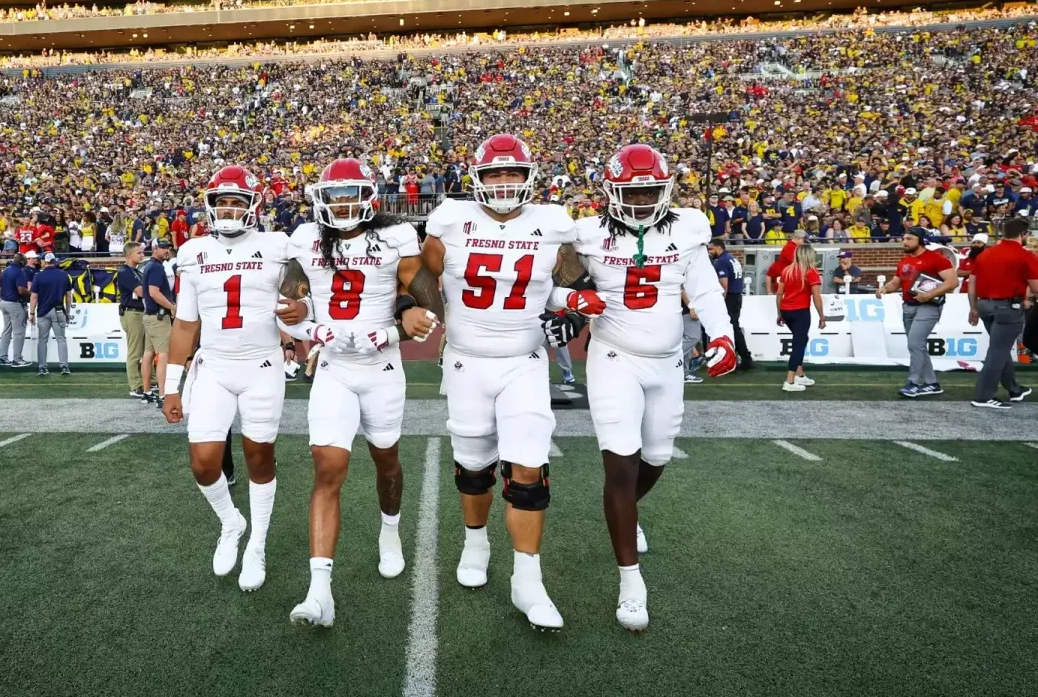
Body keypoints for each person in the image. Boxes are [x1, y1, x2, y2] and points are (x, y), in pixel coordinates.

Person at [421, 133, 606, 632]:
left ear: (530, 177)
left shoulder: (552, 223)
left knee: (529, 466)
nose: (504, 183)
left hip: (524, 360)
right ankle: (475, 541)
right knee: (474, 465)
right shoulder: (450, 220)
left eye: (513, 173)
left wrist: (571, 305)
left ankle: (528, 580)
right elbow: (419, 273)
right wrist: (420, 309)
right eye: (494, 174)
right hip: (465, 362)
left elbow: (568, 284)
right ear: (477, 179)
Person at [574, 144, 736, 631]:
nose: (642, 200)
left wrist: (723, 334)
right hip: (613, 357)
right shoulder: (584, 233)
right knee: (620, 463)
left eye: (650, 190)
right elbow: (553, 277)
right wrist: (570, 298)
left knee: (657, 457)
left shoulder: (687, 228)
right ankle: (630, 583)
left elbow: (705, 288)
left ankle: (626, 512)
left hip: (667, 363)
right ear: (610, 191)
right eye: (633, 191)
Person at [283, 158, 443, 628]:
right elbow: (285, 307)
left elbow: (428, 303)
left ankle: (389, 530)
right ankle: (319, 590)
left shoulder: (394, 237)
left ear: (369, 197)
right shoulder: (306, 240)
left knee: (386, 461)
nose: (342, 204)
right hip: (334, 366)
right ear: (321, 200)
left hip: (382, 366)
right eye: (333, 196)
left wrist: (397, 327)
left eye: (350, 194)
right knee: (328, 466)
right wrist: (312, 326)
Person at [159, 165, 309, 593]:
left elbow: (301, 300)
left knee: (259, 457)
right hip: (214, 366)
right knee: (204, 463)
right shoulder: (193, 251)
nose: (228, 209)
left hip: (261, 365)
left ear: (252, 206)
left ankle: (257, 544)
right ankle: (232, 522)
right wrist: (170, 384)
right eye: (222, 202)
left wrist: (304, 314)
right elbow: (185, 324)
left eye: (236, 202)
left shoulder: (278, 245)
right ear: (210, 206)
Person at [875, 228, 958, 397]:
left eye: (909, 238)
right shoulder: (904, 260)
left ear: (919, 240)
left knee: (914, 343)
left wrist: (929, 295)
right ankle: (932, 383)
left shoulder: (937, 259)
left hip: (929, 306)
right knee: (917, 345)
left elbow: (952, 282)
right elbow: (896, 282)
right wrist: (884, 289)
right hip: (909, 306)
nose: (904, 241)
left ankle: (913, 383)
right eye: (903, 238)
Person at [968, 217, 1038, 409]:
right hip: (1008, 307)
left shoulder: (985, 254)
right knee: (998, 351)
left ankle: (1014, 389)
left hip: (984, 305)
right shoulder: (1025, 255)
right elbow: (1036, 287)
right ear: (1023, 234)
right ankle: (983, 396)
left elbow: (972, 282)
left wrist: (973, 307)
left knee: (1000, 347)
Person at [776, 243, 825, 392]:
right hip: (800, 311)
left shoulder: (787, 271)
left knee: (801, 340)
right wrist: (822, 316)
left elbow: (779, 294)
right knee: (799, 344)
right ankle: (789, 381)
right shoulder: (811, 272)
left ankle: (799, 374)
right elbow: (816, 296)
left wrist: (779, 313)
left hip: (786, 310)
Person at [141, 239, 176, 405]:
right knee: (163, 354)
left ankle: (147, 391)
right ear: (154, 249)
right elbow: (154, 292)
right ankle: (162, 394)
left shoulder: (150, 265)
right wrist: (172, 307)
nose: (166, 250)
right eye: (162, 247)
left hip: (150, 315)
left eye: (167, 247)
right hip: (158, 316)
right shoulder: (156, 267)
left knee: (148, 353)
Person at [708, 237, 753, 370]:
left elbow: (724, 284)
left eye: (711, 249)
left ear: (718, 247)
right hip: (737, 295)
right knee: (734, 327)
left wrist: (720, 301)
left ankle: (743, 359)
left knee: (732, 328)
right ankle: (744, 358)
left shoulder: (721, 261)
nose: (709, 252)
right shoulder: (731, 258)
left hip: (729, 297)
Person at [29, 252, 73, 376]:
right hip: (59, 310)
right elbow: (69, 296)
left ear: (45, 262)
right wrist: (68, 311)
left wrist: (31, 313)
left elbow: (34, 296)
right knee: (61, 339)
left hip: (43, 312)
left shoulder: (38, 276)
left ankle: (42, 367)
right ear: (54, 261)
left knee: (42, 340)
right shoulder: (64, 275)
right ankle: (64, 366)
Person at [115, 241, 147, 398]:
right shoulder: (125, 272)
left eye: (142, 252)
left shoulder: (137, 272)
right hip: (132, 313)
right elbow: (141, 292)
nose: (142, 255)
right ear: (129, 255)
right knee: (135, 351)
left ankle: (149, 382)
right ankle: (135, 386)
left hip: (140, 312)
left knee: (147, 349)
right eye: (139, 253)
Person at [0, 254, 32, 367]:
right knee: (19, 332)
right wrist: (32, 294)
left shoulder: (5, 270)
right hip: (14, 304)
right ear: (22, 262)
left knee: (6, 331)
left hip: (4, 302)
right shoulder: (20, 272)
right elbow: (21, 290)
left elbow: (1, 286)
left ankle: (3, 357)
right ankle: (17, 359)